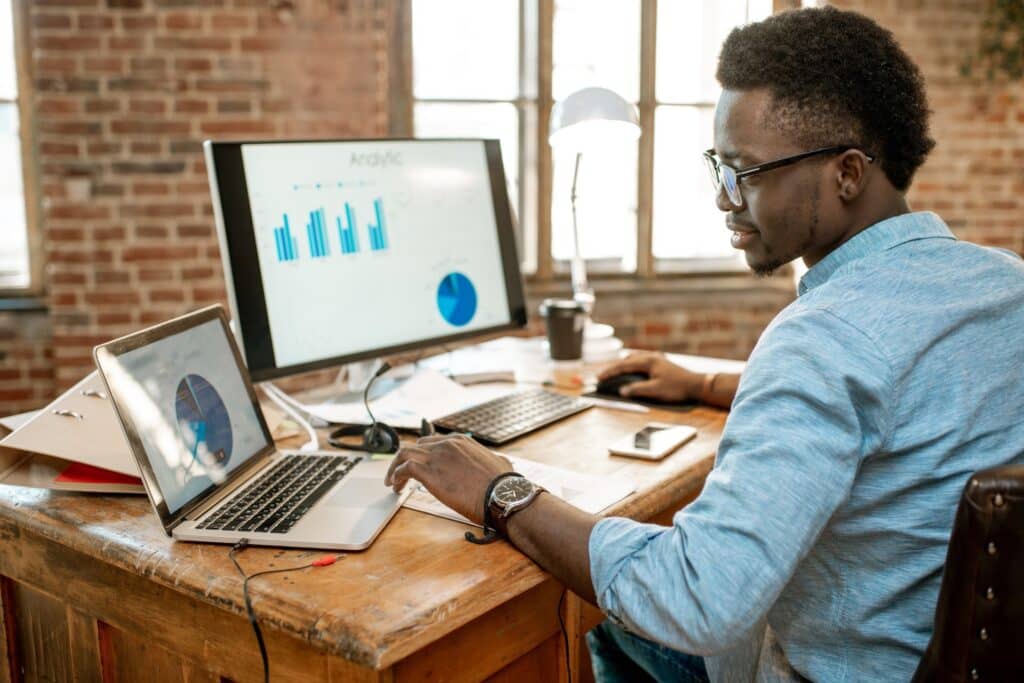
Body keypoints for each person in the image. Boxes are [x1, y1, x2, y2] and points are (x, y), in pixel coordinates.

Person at [386, 6, 1024, 681]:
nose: (724, 199)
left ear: (847, 172)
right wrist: (706, 383)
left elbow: (696, 598)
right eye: (717, 166)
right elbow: (896, 402)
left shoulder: (822, 340)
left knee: (611, 620)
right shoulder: (1004, 284)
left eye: (744, 173)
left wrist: (503, 490)